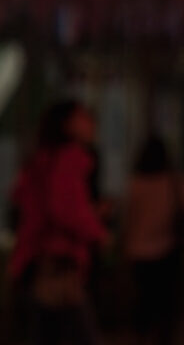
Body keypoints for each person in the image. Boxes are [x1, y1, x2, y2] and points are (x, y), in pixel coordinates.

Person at [9, 99, 109, 345]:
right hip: (60, 265)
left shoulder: (43, 159)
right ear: (68, 125)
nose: (90, 122)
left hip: (41, 262)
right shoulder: (69, 158)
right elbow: (63, 209)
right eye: (82, 116)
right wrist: (96, 230)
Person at [124, 135, 184, 345]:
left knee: (143, 303)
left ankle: (141, 337)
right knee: (165, 306)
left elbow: (127, 219)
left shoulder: (136, 184)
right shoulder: (174, 182)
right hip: (167, 250)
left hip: (139, 251)